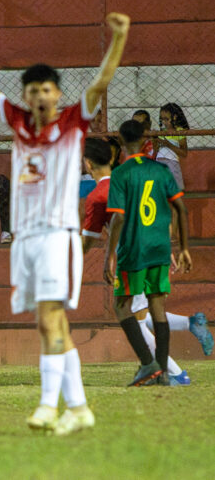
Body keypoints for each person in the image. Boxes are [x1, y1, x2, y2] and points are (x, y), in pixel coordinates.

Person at [0, 12, 130, 436]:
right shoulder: (18, 122)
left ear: (58, 94)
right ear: (27, 97)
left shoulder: (72, 123)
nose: (40, 96)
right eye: (33, 90)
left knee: (49, 319)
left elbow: (100, 83)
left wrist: (118, 38)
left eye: (47, 89)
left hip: (57, 235)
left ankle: (48, 406)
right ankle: (79, 407)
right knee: (50, 323)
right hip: (26, 239)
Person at [80, 138, 212, 386]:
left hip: (132, 256)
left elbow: (91, 238)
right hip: (154, 248)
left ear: (88, 164)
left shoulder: (99, 194)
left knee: (134, 317)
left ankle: (174, 372)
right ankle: (191, 324)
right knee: (145, 311)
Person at [104, 119, 191, 387]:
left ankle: (146, 364)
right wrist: (184, 248)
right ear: (145, 140)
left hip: (134, 247)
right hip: (160, 247)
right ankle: (162, 372)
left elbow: (117, 218)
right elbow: (181, 209)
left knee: (121, 306)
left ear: (120, 142)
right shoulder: (161, 170)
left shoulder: (120, 173)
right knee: (157, 307)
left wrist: (110, 254)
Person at [155, 103, 189, 190]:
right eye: (162, 119)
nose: (164, 122)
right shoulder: (162, 132)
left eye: (166, 119)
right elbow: (156, 150)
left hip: (172, 163)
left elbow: (184, 153)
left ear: (175, 117)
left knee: (174, 189)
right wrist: (154, 140)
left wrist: (168, 144)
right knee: (160, 189)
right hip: (159, 162)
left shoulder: (179, 132)